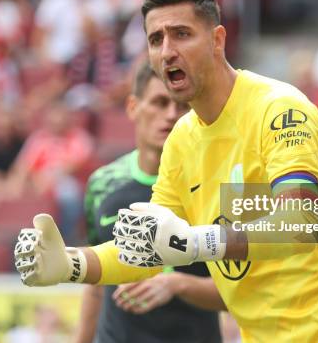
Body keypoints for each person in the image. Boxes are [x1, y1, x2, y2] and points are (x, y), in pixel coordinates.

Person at [14, 0, 318, 342]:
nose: (167, 50)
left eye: (181, 34)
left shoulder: (280, 109)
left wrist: (193, 243)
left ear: (218, 39)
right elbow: (146, 248)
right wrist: (70, 264)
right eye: (155, 39)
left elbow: (299, 223)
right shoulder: (183, 140)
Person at [74, 60, 223, 343]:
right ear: (133, 107)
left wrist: (178, 284)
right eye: (159, 102)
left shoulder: (216, 184)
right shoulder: (103, 184)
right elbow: (96, 286)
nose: (170, 115)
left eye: (182, 106)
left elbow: (239, 293)